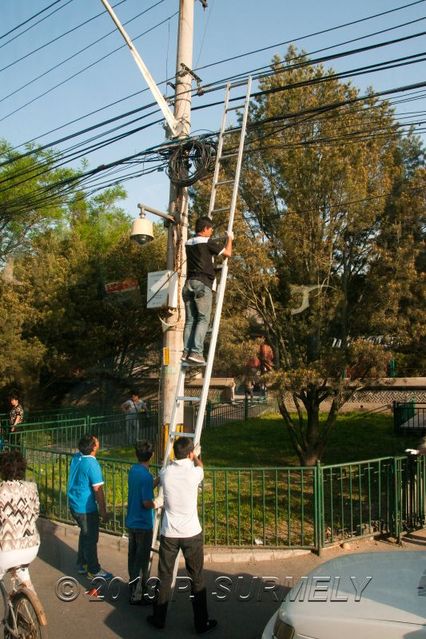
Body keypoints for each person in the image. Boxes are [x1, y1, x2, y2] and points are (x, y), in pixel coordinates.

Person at [147, 437, 217, 634]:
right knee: (197, 578)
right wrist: (196, 457)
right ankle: (201, 623)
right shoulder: (194, 473)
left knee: (164, 576)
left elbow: (162, 474)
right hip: (192, 533)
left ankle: (158, 618)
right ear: (189, 454)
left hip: (169, 533)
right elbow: (201, 466)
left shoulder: (166, 472)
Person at [182, 216, 233, 366]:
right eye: (210, 229)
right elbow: (228, 253)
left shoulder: (188, 242)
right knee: (203, 319)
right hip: (202, 284)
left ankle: (186, 352)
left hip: (188, 284)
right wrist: (230, 238)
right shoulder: (207, 242)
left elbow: (203, 258)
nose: (211, 232)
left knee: (191, 320)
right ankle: (196, 353)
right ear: (204, 229)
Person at [67, 434, 112, 579]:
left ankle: (82, 563)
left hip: (74, 503)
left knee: (85, 534)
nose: (98, 441)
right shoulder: (92, 464)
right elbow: (98, 491)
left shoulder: (77, 457)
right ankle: (94, 569)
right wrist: (103, 512)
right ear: (93, 447)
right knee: (91, 538)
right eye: (96, 441)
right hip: (85, 508)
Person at [126, 440, 161, 605]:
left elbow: (143, 488)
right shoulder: (146, 476)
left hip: (132, 522)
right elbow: (146, 502)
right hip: (143, 524)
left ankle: (133, 587)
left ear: (136, 455)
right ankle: (138, 594)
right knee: (141, 559)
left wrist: (157, 481)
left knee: (132, 557)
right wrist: (159, 502)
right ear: (152, 456)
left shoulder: (133, 471)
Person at [0, 450, 40, 590]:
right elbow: (35, 513)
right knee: (22, 572)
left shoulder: (1, 490)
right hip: (31, 547)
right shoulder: (32, 488)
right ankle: (31, 598)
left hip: (6, 550)